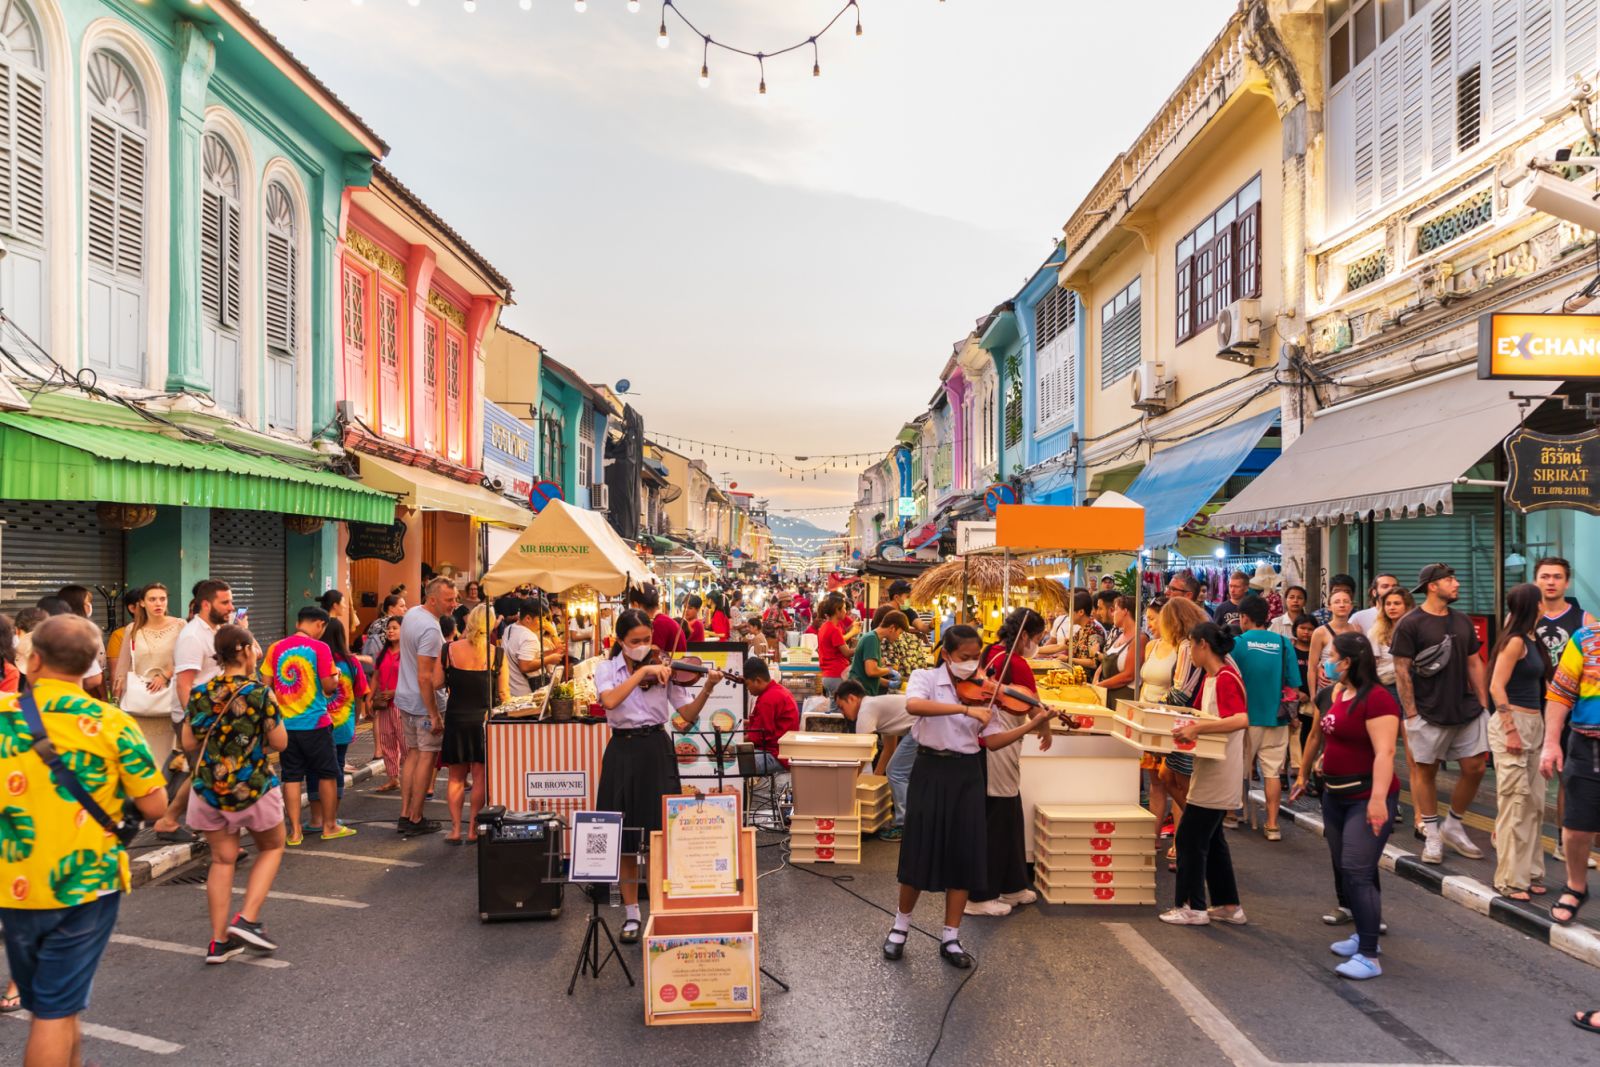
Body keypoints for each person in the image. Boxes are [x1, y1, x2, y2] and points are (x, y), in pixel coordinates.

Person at [0, 616, 168, 1065]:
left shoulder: (3, 719)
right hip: (84, 885)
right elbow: (154, 806)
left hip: (13, 884)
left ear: (33, 661)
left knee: (56, 1004)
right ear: (91, 666)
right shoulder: (111, 724)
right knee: (54, 1011)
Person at [595, 609, 723, 943]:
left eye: (647, 640)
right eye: (635, 641)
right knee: (625, 840)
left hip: (656, 749)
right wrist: (641, 673)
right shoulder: (607, 670)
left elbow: (686, 717)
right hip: (621, 751)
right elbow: (609, 701)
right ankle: (632, 915)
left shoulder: (665, 669)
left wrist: (707, 688)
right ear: (620, 641)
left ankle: (659, 913)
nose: (643, 646)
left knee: (657, 837)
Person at [884, 626, 996, 969]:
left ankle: (951, 936)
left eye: (976, 657)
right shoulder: (926, 677)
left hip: (968, 773)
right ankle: (900, 927)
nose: (972, 664)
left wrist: (1037, 722)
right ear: (946, 654)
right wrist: (964, 711)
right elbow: (914, 705)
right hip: (931, 769)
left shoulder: (984, 689)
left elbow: (992, 736)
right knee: (919, 849)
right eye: (964, 658)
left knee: (963, 854)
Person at [1291, 631, 1399, 981]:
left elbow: (1385, 752)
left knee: (1356, 869)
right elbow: (1325, 736)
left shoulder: (1378, 699)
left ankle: (1369, 955)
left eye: (1331, 655)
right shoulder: (1338, 692)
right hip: (1334, 795)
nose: (1325, 661)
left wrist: (1379, 800)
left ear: (1348, 662)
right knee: (1349, 867)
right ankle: (1364, 935)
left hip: (1365, 797)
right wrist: (1308, 771)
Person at [184, 624, 288, 963]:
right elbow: (280, 742)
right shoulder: (259, 693)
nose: (258, 651)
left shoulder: (200, 692)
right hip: (252, 786)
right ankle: (248, 918)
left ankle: (218, 942)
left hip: (209, 790)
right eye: (255, 646)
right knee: (272, 847)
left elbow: (188, 742)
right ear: (243, 650)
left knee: (221, 860)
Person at [1391, 563, 1490, 865]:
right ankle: (1432, 833)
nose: (1456, 583)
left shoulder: (1461, 621)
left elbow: (1474, 663)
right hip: (1427, 710)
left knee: (1475, 767)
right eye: (1450, 579)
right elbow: (1401, 669)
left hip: (1467, 708)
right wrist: (1411, 713)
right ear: (1432, 586)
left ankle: (1454, 824)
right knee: (1426, 771)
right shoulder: (1411, 623)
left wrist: (1485, 706)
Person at [966, 610, 1056, 918]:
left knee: (1009, 814)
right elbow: (1034, 708)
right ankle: (980, 895)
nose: (1038, 644)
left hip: (993, 744)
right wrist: (1045, 727)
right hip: (997, 747)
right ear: (1027, 636)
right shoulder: (1016, 663)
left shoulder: (992, 652)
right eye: (1038, 638)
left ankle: (1012, 884)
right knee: (997, 819)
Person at [1159, 622, 1249, 927]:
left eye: (1191, 647)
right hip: (1208, 764)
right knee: (1213, 840)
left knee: (1189, 838)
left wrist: (1198, 728)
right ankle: (1228, 905)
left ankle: (1192, 906)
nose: (1189, 654)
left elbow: (1239, 719)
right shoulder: (1211, 678)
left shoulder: (1225, 678)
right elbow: (1193, 715)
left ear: (1203, 646)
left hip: (1220, 769)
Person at [153, 579, 236, 843]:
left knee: (205, 770)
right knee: (208, 771)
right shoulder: (192, 636)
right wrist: (195, 721)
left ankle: (183, 823)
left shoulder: (217, 630)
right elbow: (184, 685)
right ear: (206, 604)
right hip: (196, 716)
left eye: (230, 601)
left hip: (214, 714)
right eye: (225, 602)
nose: (230, 607)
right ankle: (173, 822)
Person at [261, 606, 349, 846]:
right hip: (316, 724)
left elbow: (266, 685)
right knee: (328, 774)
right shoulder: (320, 648)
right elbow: (329, 686)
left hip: (286, 726)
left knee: (291, 776)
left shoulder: (275, 648)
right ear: (320, 624)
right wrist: (338, 676)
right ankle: (330, 826)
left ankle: (295, 832)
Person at [1531, 557, 1599, 864]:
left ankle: (1563, 839)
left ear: (1567, 583)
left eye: (1557, 577)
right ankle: (1515, 834)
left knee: (1565, 775)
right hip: (1531, 705)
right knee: (1529, 777)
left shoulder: (1585, 620)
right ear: (1536, 581)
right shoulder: (1523, 618)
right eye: (1545, 576)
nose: (1551, 582)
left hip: (1569, 709)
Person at [1487, 583, 1552, 902]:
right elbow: (1497, 687)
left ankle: (1532, 872)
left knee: (1534, 803)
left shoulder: (1533, 638)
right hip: (1511, 722)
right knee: (1515, 802)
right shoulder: (1514, 642)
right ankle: (1511, 880)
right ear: (1533, 605)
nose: (1546, 603)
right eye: (1541, 600)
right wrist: (1511, 729)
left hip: (1535, 724)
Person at [1233, 597, 1302, 841]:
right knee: (1272, 772)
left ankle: (1233, 814)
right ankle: (1272, 825)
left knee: (1237, 769)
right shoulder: (1284, 644)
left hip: (1244, 718)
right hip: (1277, 718)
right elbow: (1294, 684)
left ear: (1244, 617)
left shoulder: (1237, 644)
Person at [439, 604, 507, 844]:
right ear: (490, 625)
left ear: (468, 622)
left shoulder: (448, 650)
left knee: (456, 778)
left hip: (456, 719)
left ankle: (456, 829)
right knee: (479, 778)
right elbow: (504, 694)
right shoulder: (496, 654)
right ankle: (473, 830)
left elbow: (437, 682)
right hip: (483, 722)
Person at [396, 577, 456, 836]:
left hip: (405, 698)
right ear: (432, 599)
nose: (454, 604)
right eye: (449, 599)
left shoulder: (411, 613)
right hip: (423, 703)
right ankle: (416, 817)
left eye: (454, 598)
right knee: (426, 756)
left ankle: (405, 814)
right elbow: (426, 677)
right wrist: (434, 714)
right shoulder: (431, 630)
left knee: (412, 754)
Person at [833, 680, 915, 839]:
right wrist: (876, 779)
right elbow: (889, 748)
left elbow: (861, 753)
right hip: (921, 725)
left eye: (842, 707)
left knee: (896, 772)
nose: (843, 713)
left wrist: (848, 785)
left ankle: (904, 825)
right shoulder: (877, 705)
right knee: (897, 772)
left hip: (920, 727)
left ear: (852, 698)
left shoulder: (866, 710)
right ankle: (907, 820)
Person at [306, 618, 367, 812]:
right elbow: (359, 694)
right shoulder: (352, 662)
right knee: (338, 767)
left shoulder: (312, 659)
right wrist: (355, 720)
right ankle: (332, 815)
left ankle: (316, 816)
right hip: (343, 723)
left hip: (315, 723)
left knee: (314, 769)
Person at [743, 658, 799, 775]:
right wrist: (748, 723)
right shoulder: (777, 690)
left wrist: (732, 742)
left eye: (747, 684)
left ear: (757, 681)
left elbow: (759, 736)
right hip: (784, 751)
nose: (747, 689)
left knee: (737, 761)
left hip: (777, 755)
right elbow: (769, 723)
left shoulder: (768, 699)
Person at [371, 616, 405, 793]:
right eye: (388, 628)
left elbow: (413, 679)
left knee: (405, 742)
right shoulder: (381, 654)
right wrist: (370, 698)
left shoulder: (408, 653)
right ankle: (393, 778)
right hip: (384, 705)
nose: (390, 631)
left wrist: (394, 692)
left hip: (401, 704)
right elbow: (375, 677)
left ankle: (412, 777)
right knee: (387, 741)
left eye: (394, 628)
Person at [1308, 588, 1359, 705]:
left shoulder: (1357, 630)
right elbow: (1312, 666)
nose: (1342, 605)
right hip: (1327, 687)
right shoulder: (1320, 632)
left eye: (1346, 601)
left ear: (1351, 606)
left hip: (1352, 687)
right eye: (1337, 602)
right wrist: (1313, 695)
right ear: (1329, 607)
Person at [1095, 596, 1146, 707]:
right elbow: (1104, 662)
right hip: (1107, 698)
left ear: (1125, 611)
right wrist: (1096, 679)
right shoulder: (1117, 636)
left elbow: (1129, 675)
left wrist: (1100, 685)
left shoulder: (1140, 638)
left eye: (1116, 610)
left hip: (1124, 701)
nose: (1113, 614)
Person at [1367, 588, 1415, 700]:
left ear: (1407, 606)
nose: (1391, 607)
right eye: (1388, 604)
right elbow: (1372, 665)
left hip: (1414, 685)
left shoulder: (1417, 631)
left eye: (1397, 603)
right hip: (1387, 685)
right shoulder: (1375, 632)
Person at [849, 610, 906, 696]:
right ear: (892, 628)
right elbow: (871, 671)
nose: (899, 636)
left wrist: (889, 683)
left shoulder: (873, 638)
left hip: (862, 692)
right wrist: (889, 670)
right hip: (860, 694)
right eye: (900, 633)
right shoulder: (871, 639)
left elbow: (869, 676)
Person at [817, 595, 858, 698]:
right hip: (836, 674)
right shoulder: (834, 629)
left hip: (828, 675)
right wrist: (862, 646)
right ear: (837, 610)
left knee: (834, 708)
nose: (846, 611)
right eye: (844, 608)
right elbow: (847, 652)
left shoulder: (825, 626)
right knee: (839, 710)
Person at [104, 588, 144, 690]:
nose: (156, 605)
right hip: (132, 695)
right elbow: (115, 674)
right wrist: (117, 700)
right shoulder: (119, 635)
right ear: (132, 608)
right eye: (148, 601)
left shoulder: (170, 630)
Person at [630, 585, 685, 656]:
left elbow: (653, 654)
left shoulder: (659, 624)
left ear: (636, 605)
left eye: (631, 606)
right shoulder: (663, 620)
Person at [362, 593, 407, 660]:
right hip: (386, 660)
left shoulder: (375, 622)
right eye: (402, 606)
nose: (405, 609)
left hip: (372, 660)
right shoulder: (396, 623)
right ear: (391, 608)